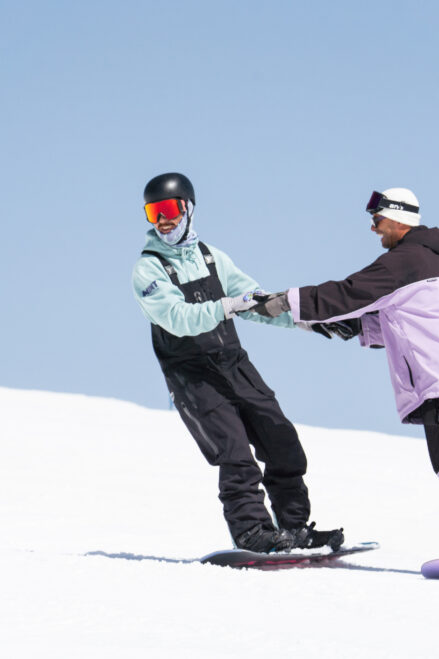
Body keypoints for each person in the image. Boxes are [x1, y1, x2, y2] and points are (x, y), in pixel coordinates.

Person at [247, 187, 439, 564]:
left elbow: (348, 293)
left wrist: (287, 300)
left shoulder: (405, 261)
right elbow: (392, 325)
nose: (373, 228)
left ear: (399, 218)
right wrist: (319, 324)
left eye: (377, 219)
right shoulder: (434, 261)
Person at [131, 172, 344, 553]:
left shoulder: (213, 257)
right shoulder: (149, 269)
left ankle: (294, 527)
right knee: (235, 453)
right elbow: (176, 317)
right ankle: (251, 532)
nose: (162, 220)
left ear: (188, 209)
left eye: (168, 210)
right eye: (153, 212)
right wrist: (228, 305)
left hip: (232, 362)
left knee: (282, 441)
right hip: (191, 374)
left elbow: (255, 301)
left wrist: (306, 320)